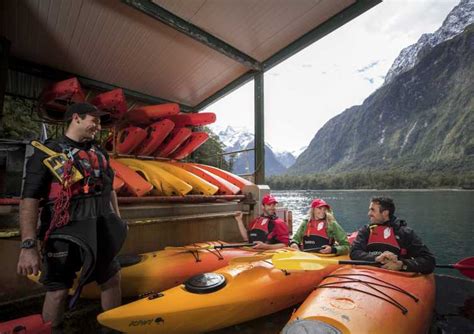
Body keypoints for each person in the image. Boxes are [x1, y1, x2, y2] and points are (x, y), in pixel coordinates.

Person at [17, 102, 128, 331]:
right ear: (76, 118)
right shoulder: (47, 151)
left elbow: (110, 191)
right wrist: (28, 246)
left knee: (112, 279)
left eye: (99, 121)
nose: (98, 126)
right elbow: (29, 199)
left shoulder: (98, 152)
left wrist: (117, 222)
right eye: (94, 120)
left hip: (100, 229)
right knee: (57, 291)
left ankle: (111, 329)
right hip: (63, 232)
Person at [350, 196, 435, 274]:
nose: (369, 213)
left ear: (385, 213)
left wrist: (402, 264)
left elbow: (429, 260)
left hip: (398, 278)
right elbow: (354, 252)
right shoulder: (366, 230)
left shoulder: (405, 233)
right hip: (370, 275)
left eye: (372, 210)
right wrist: (376, 258)